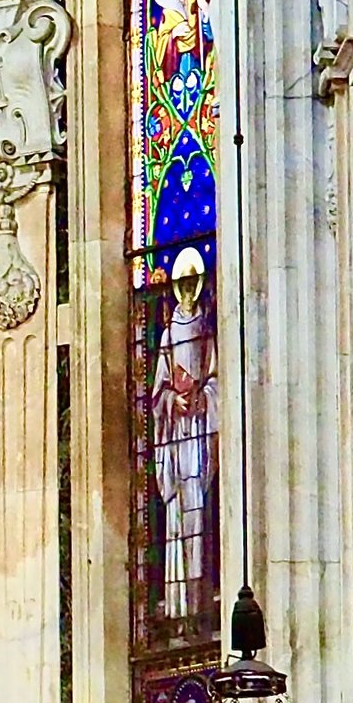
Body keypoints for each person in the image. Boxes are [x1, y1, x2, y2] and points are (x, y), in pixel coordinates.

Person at [150, 245, 218, 622]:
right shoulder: (167, 337)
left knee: (197, 512)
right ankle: (176, 603)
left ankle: (197, 600)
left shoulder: (206, 334)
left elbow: (216, 382)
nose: (189, 290)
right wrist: (172, 400)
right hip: (175, 436)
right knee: (176, 516)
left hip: (197, 432)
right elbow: (158, 391)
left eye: (194, 283)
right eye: (183, 283)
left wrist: (201, 397)